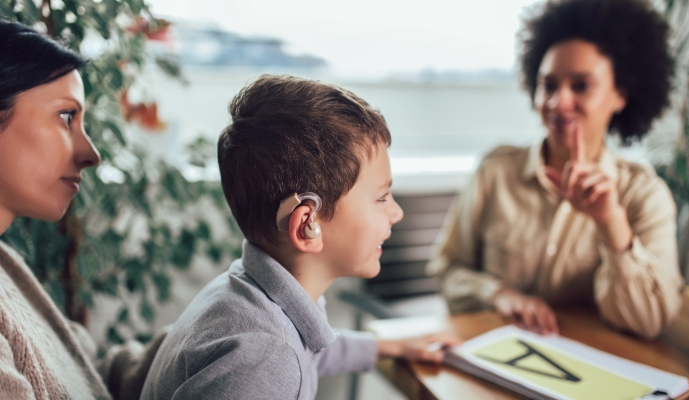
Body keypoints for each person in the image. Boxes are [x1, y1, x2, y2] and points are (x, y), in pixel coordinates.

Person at [141, 75, 461, 399]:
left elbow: (314, 349)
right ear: (308, 225)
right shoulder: (264, 360)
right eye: (381, 197)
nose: (397, 213)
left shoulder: (252, 294)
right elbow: (285, 355)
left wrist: (389, 347)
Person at [428, 0, 683, 339]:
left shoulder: (644, 196)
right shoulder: (496, 172)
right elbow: (447, 270)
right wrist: (498, 294)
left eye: (581, 85)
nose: (557, 101)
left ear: (620, 94)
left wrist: (611, 223)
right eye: (548, 85)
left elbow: (649, 322)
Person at [0, 19, 168, 400]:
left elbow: (86, 373)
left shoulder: (7, 265)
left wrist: (224, 324)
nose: (90, 154)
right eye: (66, 117)